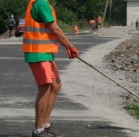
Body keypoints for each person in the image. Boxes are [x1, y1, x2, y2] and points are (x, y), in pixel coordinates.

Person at [22, 0, 80, 137]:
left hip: (45, 52)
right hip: (37, 52)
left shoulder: (44, 3)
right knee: (45, 87)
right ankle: (38, 130)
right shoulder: (41, 3)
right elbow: (55, 29)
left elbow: (52, 31)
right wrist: (70, 46)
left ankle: (46, 124)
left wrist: (67, 46)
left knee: (56, 85)